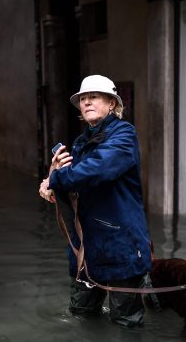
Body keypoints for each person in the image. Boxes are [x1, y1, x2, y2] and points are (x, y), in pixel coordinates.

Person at [39, 74, 152, 327]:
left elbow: (97, 170)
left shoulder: (124, 135)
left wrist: (57, 179)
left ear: (112, 103)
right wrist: (50, 182)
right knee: (81, 315)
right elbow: (74, 186)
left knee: (127, 325)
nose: (86, 103)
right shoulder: (80, 142)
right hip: (87, 249)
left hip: (121, 246)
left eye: (94, 97)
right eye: (83, 99)